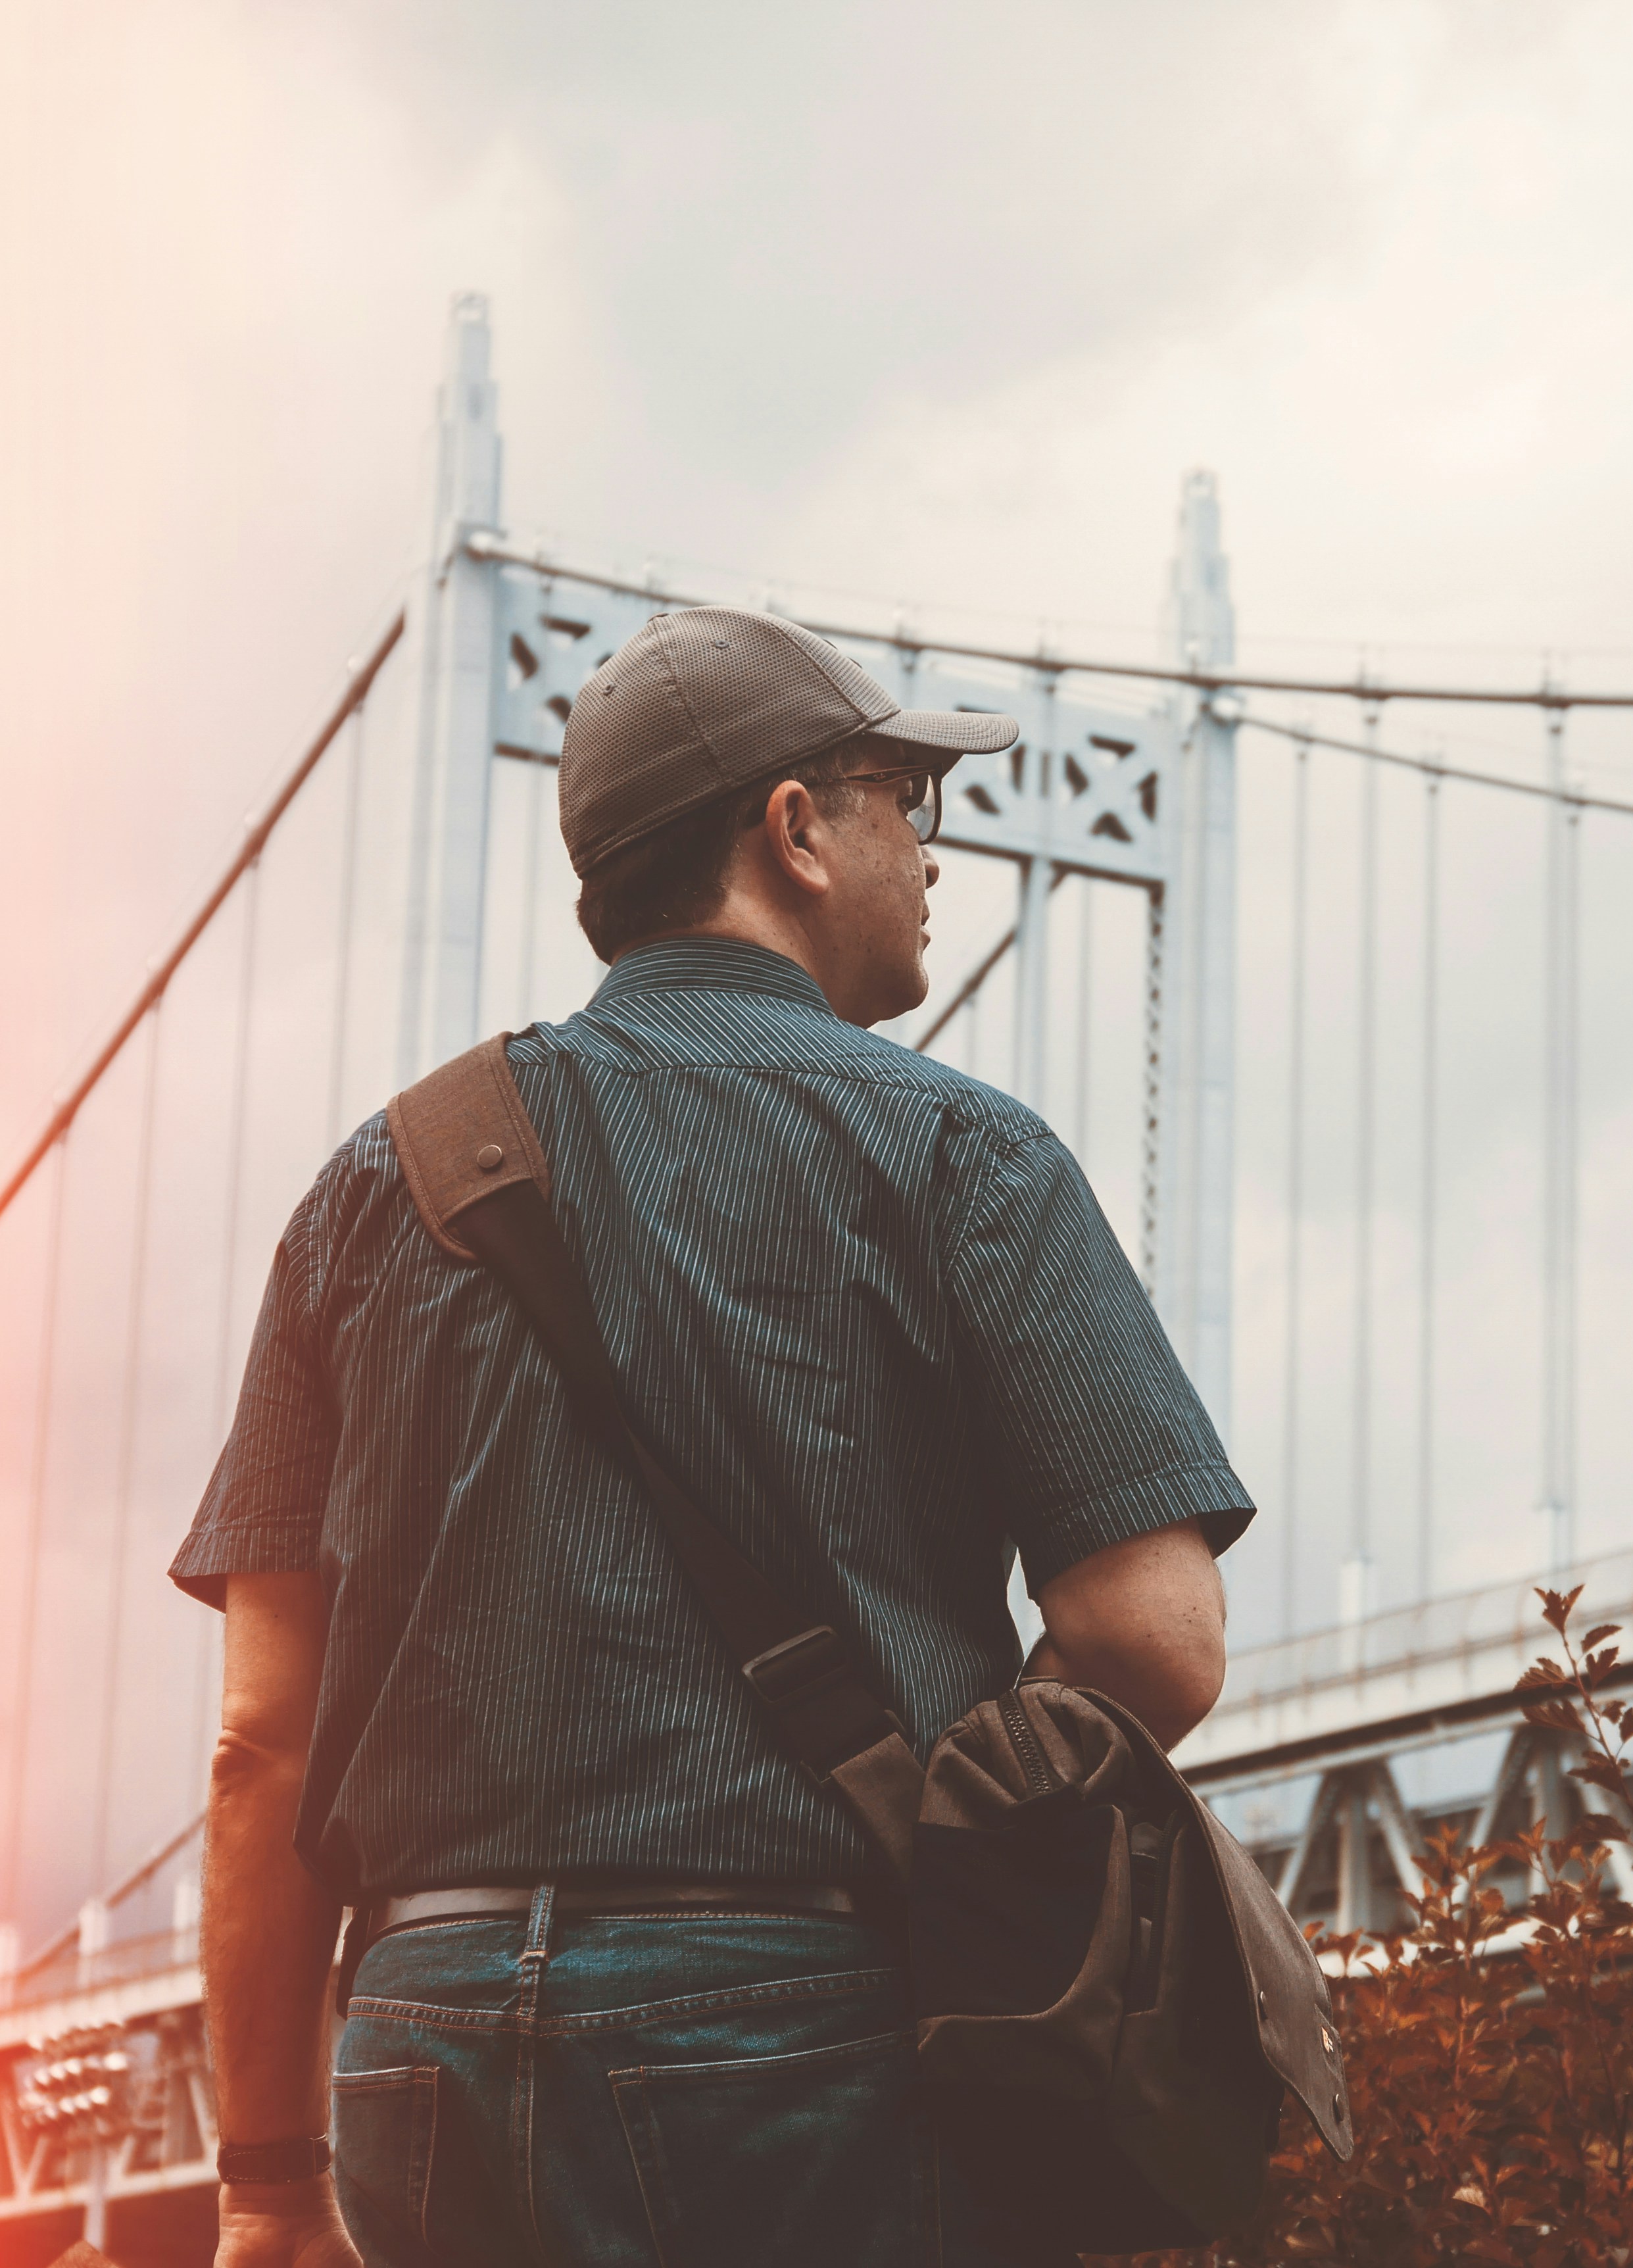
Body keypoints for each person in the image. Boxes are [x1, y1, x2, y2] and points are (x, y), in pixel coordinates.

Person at [172, 606, 1252, 2267]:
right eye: (909, 795)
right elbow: (1154, 1639)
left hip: (417, 2028)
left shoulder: (373, 1186)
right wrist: (958, 1853)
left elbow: (261, 1742)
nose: (936, 854)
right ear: (798, 830)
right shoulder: (964, 1150)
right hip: (804, 2010)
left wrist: (263, 2178)